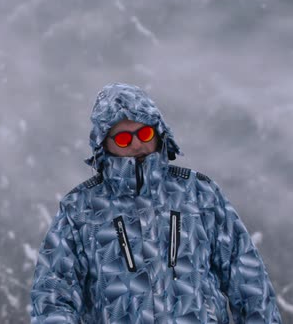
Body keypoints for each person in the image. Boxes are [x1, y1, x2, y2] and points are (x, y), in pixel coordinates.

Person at [29, 83, 282, 323]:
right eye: (124, 139)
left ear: (159, 132)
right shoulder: (80, 209)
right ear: (103, 145)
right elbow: (52, 296)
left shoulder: (199, 193)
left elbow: (250, 282)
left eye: (145, 132)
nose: (138, 143)